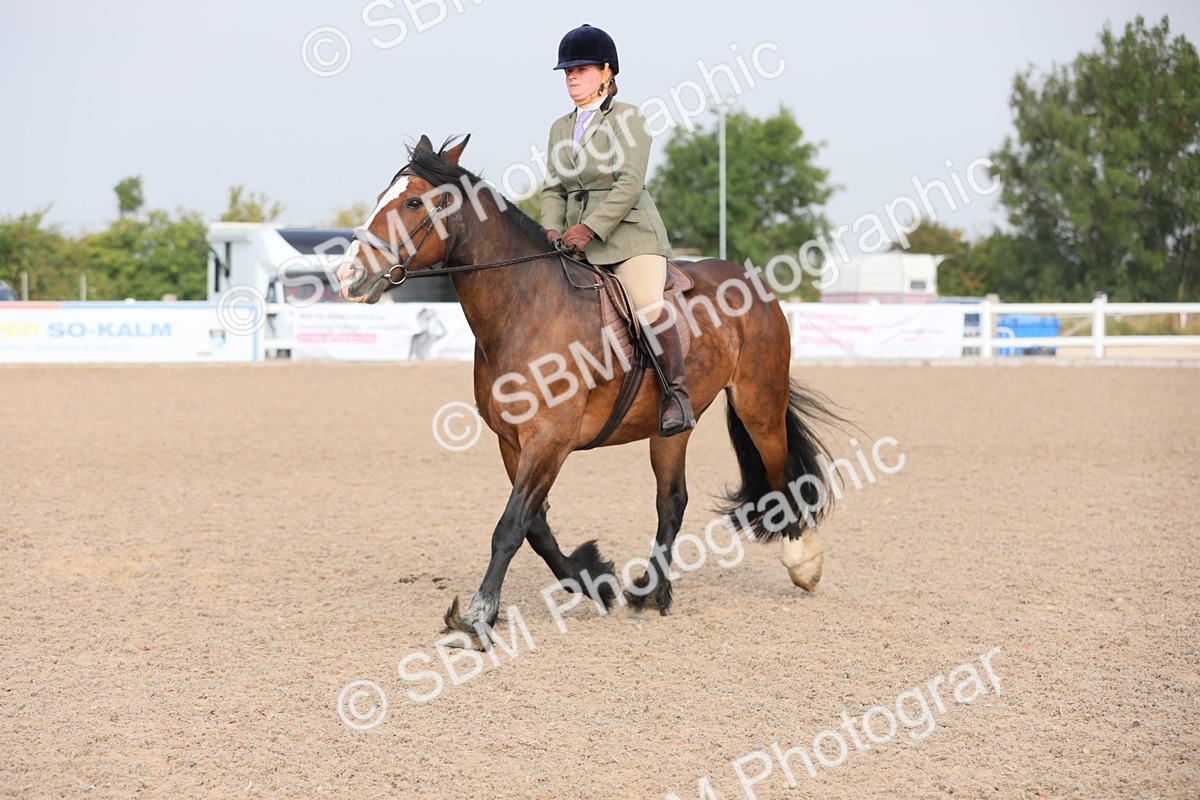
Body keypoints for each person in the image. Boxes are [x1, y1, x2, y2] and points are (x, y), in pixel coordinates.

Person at [541, 23, 695, 436]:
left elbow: (629, 184)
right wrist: (552, 230)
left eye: (582, 69)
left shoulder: (630, 118)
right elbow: (553, 188)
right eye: (567, 71)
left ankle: (676, 396)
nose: (572, 77)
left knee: (647, 305)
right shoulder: (559, 127)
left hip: (629, 237)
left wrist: (589, 228)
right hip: (575, 242)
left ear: (607, 72)